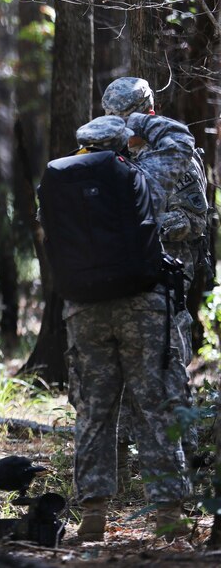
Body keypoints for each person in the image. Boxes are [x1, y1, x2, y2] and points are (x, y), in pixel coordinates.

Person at [63, 114, 195, 541]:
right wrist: (136, 116)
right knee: (154, 406)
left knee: (94, 410)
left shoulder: (57, 183)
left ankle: (93, 515)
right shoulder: (142, 176)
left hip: (84, 311)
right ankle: (170, 515)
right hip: (142, 306)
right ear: (125, 143)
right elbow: (179, 140)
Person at [101, 77, 208, 479]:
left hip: (170, 279)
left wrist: (146, 225)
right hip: (124, 281)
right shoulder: (107, 153)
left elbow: (195, 221)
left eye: (127, 117)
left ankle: (188, 459)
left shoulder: (175, 154)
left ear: (147, 114)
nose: (122, 125)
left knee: (170, 370)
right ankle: (134, 464)